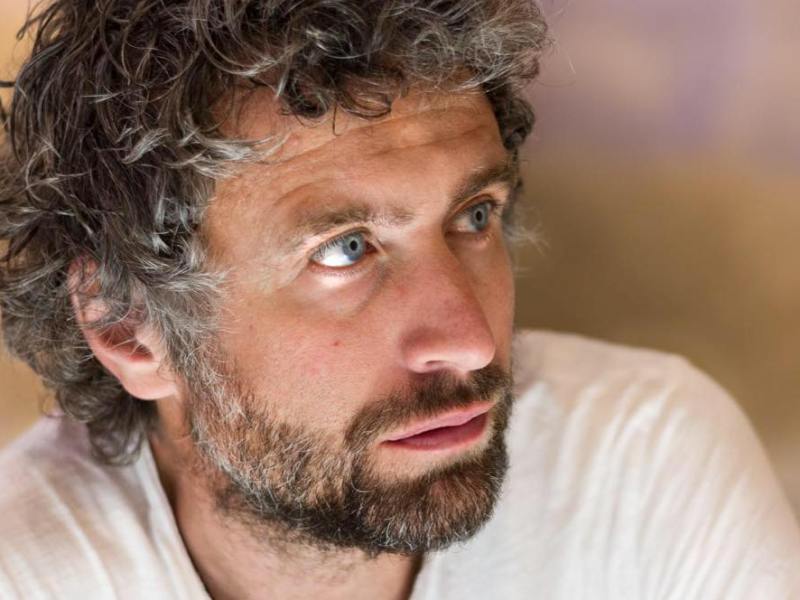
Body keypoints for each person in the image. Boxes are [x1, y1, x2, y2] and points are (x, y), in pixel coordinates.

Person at [0, 1, 798, 598]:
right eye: (344, 249)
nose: (472, 341)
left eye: (474, 216)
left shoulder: (644, 463)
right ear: (128, 326)